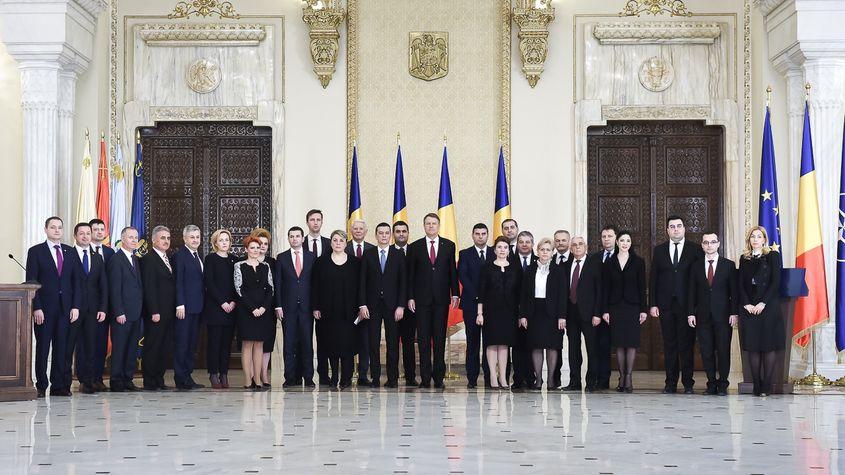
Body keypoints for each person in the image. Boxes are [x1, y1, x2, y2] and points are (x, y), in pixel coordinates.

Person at [26, 216, 82, 397]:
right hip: (45, 309)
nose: (57, 230)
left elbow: (76, 282)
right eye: (53, 227)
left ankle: (59, 386)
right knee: (43, 348)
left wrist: (75, 306)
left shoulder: (70, 252)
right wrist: (37, 307)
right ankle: (41, 385)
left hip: (66, 309)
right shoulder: (36, 251)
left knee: (62, 348)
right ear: (46, 229)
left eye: (59, 227)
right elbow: (31, 281)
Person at [649, 215, 703, 394]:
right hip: (665, 306)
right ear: (667, 230)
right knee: (669, 345)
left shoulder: (695, 249)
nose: (676, 229)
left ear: (684, 228)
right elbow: (654, 279)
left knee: (686, 345)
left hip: (687, 306)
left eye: (679, 226)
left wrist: (695, 305)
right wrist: (653, 304)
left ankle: (688, 383)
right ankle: (670, 383)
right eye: (672, 227)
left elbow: (699, 280)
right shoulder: (659, 250)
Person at [407, 213, 459, 389]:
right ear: (423, 226)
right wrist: (410, 297)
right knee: (423, 340)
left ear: (438, 225)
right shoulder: (414, 247)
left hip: (441, 300)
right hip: (421, 300)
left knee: (439, 339)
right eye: (427, 223)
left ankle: (439, 378)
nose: (430, 226)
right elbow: (410, 275)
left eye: (433, 223)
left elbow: (452, 270)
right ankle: (425, 378)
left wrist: (455, 293)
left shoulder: (449, 245)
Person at [687, 231, 738, 396]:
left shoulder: (728, 265)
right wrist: (690, 313)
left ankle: (723, 384)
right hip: (702, 316)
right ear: (702, 245)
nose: (709, 245)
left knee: (723, 351)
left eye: (712, 242)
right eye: (706, 242)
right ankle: (711, 384)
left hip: (723, 316)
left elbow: (734, 292)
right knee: (706, 351)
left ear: (718, 244)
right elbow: (691, 292)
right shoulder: (695, 266)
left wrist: (734, 313)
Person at [359, 222, 407, 388]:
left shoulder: (399, 255)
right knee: (373, 342)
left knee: (392, 343)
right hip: (372, 306)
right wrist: (362, 304)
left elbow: (403, 283)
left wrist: (401, 305)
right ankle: (375, 378)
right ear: (376, 235)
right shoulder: (368, 254)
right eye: (381, 233)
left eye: (387, 233)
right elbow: (362, 282)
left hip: (393, 306)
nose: (384, 236)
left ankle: (392, 379)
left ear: (391, 235)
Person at [312, 230, 361, 389]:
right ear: (331, 242)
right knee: (330, 345)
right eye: (335, 240)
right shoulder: (321, 262)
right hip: (327, 312)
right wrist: (315, 307)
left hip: (349, 312)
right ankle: (333, 377)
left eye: (341, 240)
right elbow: (315, 286)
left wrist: (361, 307)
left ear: (346, 243)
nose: (338, 243)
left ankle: (346, 378)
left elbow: (361, 288)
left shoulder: (355, 262)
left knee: (347, 345)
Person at [738, 226, 783, 397]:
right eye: (752, 236)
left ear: (764, 239)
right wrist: (747, 304)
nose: (755, 239)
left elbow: (775, 282)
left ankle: (767, 386)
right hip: (749, 309)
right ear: (749, 240)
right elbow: (740, 284)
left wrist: (763, 302)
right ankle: (757, 385)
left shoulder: (772, 256)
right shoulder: (744, 258)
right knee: (753, 347)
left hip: (768, 307)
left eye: (759, 236)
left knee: (768, 347)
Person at [600, 231, 647, 393]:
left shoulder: (638, 262)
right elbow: (605, 288)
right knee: (619, 344)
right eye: (622, 240)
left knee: (631, 343)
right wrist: (605, 310)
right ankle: (622, 377)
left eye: (628, 240)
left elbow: (642, 287)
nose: (625, 243)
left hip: (633, 307)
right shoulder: (609, 262)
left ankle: (628, 377)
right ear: (617, 243)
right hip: (615, 307)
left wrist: (643, 310)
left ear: (631, 243)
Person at [66, 222, 107, 394]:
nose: (85, 236)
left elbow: (103, 285)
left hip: (92, 310)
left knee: (90, 347)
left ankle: (87, 382)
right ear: (75, 236)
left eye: (88, 233)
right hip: (72, 310)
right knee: (69, 348)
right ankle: (63, 383)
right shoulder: (68, 254)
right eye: (81, 233)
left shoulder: (97, 257)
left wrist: (103, 308)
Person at [520, 238, 566, 390]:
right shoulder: (530, 270)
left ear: (552, 253)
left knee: (552, 347)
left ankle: (551, 379)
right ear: (537, 251)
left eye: (548, 250)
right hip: (534, 312)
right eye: (542, 249)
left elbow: (562, 295)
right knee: (536, 347)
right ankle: (538, 380)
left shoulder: (558, 271)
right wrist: (523, 315)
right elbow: (524, 295)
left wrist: (562, 316)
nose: (545, 252)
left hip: (553, 314)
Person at [274, 226, 316, 388]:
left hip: (307, 308)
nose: (294, 239)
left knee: (307, 343)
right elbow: (278, 283)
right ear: (288, 238)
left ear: (303, 239)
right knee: (289, 343)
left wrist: (315, 306)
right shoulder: (282, 257)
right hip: (288, 308)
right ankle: (290, 377)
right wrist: (278, 305)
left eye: (297, 236)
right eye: (291, 236)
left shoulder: (312, 257)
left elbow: (314, 284)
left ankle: (309, 377)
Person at [477, 236, 520, 389]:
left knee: (504, 345)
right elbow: (481, 292)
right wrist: (480, 313)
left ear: (509, 250)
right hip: (490, 312)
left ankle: (503, 377)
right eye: (499, 247)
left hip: (509, 312)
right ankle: (493, 378)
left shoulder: (515, 268)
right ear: (494, 250)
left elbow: (519, 292)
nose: (502, 250)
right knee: (491, 344)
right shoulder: (487, 267)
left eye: (505, 247)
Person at [562, 237, 603, 392]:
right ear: (571, 249)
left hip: (590, 314)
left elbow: (600, 291)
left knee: (592, 349)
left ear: (586, 247)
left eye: (580, 244)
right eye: (574, 245)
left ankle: (591, 382)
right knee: (573, 350)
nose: (577, 247)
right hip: (571, 314)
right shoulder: (565, 266)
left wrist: (597, 313)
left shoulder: (595, 265)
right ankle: (574, 382)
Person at [234, 235, 274, 391]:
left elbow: (270, 289)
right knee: (247, 345)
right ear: (246, 250)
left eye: (258, 248)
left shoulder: (266, 266)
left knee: (259, 345)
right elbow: (239, 289)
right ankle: (247, 380)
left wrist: (263, 308)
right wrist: (252, 308)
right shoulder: (239, 266)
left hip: (263, 311)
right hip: (246, 311)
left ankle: (258, 379)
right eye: (252, 248)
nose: (256, 250)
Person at [458, 223, 494, 389]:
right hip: (471, 305)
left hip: (491, 306)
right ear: (472, 235)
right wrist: (478, 295)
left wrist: (486, 297)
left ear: (487, 235)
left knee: (489, 343)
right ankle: (472, 379)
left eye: (483, 233)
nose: (480, 236)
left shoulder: (495, 252)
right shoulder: (465, 254)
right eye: (477, 234)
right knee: (472, 343)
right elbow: (463, 277)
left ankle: (488, 377)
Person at [107, 226, 143, 392]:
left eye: (136, 237)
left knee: (131, 349)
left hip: (135, 312)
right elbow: (114, 289)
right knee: (120, 348)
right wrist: (119, 311)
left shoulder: (135, 259)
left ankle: (128, 379)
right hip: (122, 314)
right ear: (122, 239)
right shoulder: (116, 259)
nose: (134, 240)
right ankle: (116, 381)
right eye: (130, 237)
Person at [140, 225, 176, 391]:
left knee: (164, 346)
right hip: (156, 313)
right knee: (153, 346)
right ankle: (150, 381)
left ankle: (159, 379)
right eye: (162, 238)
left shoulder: (169, 258)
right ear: (154, 240)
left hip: (168, 312)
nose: (166, 241)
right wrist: (154, 311)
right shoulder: (149, 259)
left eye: (168, 238)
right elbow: (149, 287)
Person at [203, 229, 238, 389]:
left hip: (231, 308)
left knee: (226, 344)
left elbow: (237, 284)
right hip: (215, 308)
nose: (224, 243)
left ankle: (224, 373)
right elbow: (209, 283)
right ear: (215, 243)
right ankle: (213, 374)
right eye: (221, 240)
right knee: (215, 343)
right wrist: (223, 302)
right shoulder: (210, 259)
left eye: (227, 240)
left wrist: (232, 302)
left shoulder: (234, 260)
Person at [173, 224, 205, 390]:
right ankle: (180, 377)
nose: (195, 240)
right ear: (185, 239)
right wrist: (180, 304)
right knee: (182, 343)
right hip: (184, 308)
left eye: (197, 237)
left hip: (197, 308)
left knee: (192, 343)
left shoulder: (197, 255)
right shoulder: (180, 256)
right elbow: (178, 281)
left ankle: (188, 376)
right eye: (192, 237)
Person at [346, 219, 375, 385]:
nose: (358, 231)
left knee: (365, 340)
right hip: (348, 302)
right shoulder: (344, 247)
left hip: (367, 303)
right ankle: (348, 375)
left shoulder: (372, 249)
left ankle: (363, 375)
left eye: (361, 229)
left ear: (366, 231)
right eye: (355, 228)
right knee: (348, 339)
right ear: (351, 230)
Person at [87, 218, 115, 391]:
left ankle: (98, 378)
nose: (98, 232)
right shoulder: (83, 251)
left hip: (106, 305)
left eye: (101, 229)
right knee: (88, 344)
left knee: (101, 344)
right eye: (95, 229)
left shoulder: (110, 252)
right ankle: (87, 379)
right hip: (89, 305)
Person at [510, 230, 537, 389]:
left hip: (535, 311)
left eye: (528, 242)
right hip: (514, 310)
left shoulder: (539, 260)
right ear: (517, 244)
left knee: (532, 344)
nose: (525, 245)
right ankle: (518, 378)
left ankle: (531, 377)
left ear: (532, 244)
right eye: (522, 242)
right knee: (517, 345)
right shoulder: (509, 260)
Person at [592, 225, 617, 390]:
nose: (606, 239)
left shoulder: (623, 256)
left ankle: (624, 380)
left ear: (616, 238)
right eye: (604, 236)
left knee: (618, 346)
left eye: (610, 236)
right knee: (599, 345)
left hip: (617, 308)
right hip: (596, 309)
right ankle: (600, 379)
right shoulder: (595, 258)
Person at [251, 228, 277, 388]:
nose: (262, 246)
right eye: (259, 243)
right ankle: (253, 375)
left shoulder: (272, 262)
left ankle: (264, 374)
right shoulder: (244, 261)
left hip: (268, 309)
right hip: (251, 310)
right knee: (253, 342)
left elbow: (276, 287)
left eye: (265, 244)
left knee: (267, 343)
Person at [393, 220, 417, 386]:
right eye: (398, 231)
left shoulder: (415, 250)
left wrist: (411, 297)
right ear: (393, 234)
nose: (401, 234)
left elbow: (416, 278)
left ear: (408, 233)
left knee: (408, 343)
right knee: (393, 343)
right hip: (391, 305)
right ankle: (392, 377)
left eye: (404, 231)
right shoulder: (387, 252)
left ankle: (410, 377)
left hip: (411, 305)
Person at [550, 229, 572, 387]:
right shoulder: (548, 260)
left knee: (572, 346)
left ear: (569, 242)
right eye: (557, 240)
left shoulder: (575, 259)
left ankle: (575, 380)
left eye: (563, 240)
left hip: (573, 309)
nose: (560, 243)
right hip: (553, 311)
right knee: (555, 344)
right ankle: (554, 378)